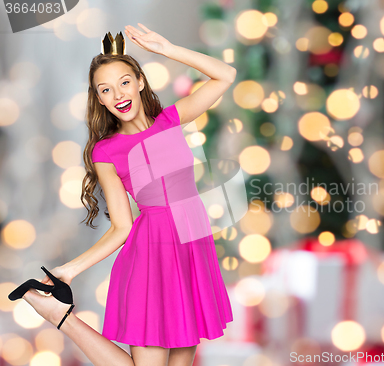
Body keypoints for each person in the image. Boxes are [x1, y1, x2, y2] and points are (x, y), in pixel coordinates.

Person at [21, 23, 237, 366]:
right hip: (153, 255)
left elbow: (225, 75)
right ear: (98, 98)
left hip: (193, 249)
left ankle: (59, 315)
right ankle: (60, 317)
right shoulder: (106, 151)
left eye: (124, 82)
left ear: (139, 81)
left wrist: (167, 49)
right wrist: (69, 270)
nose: (118, 95)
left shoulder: (171, 120)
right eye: (104, 90)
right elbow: (122, 226)